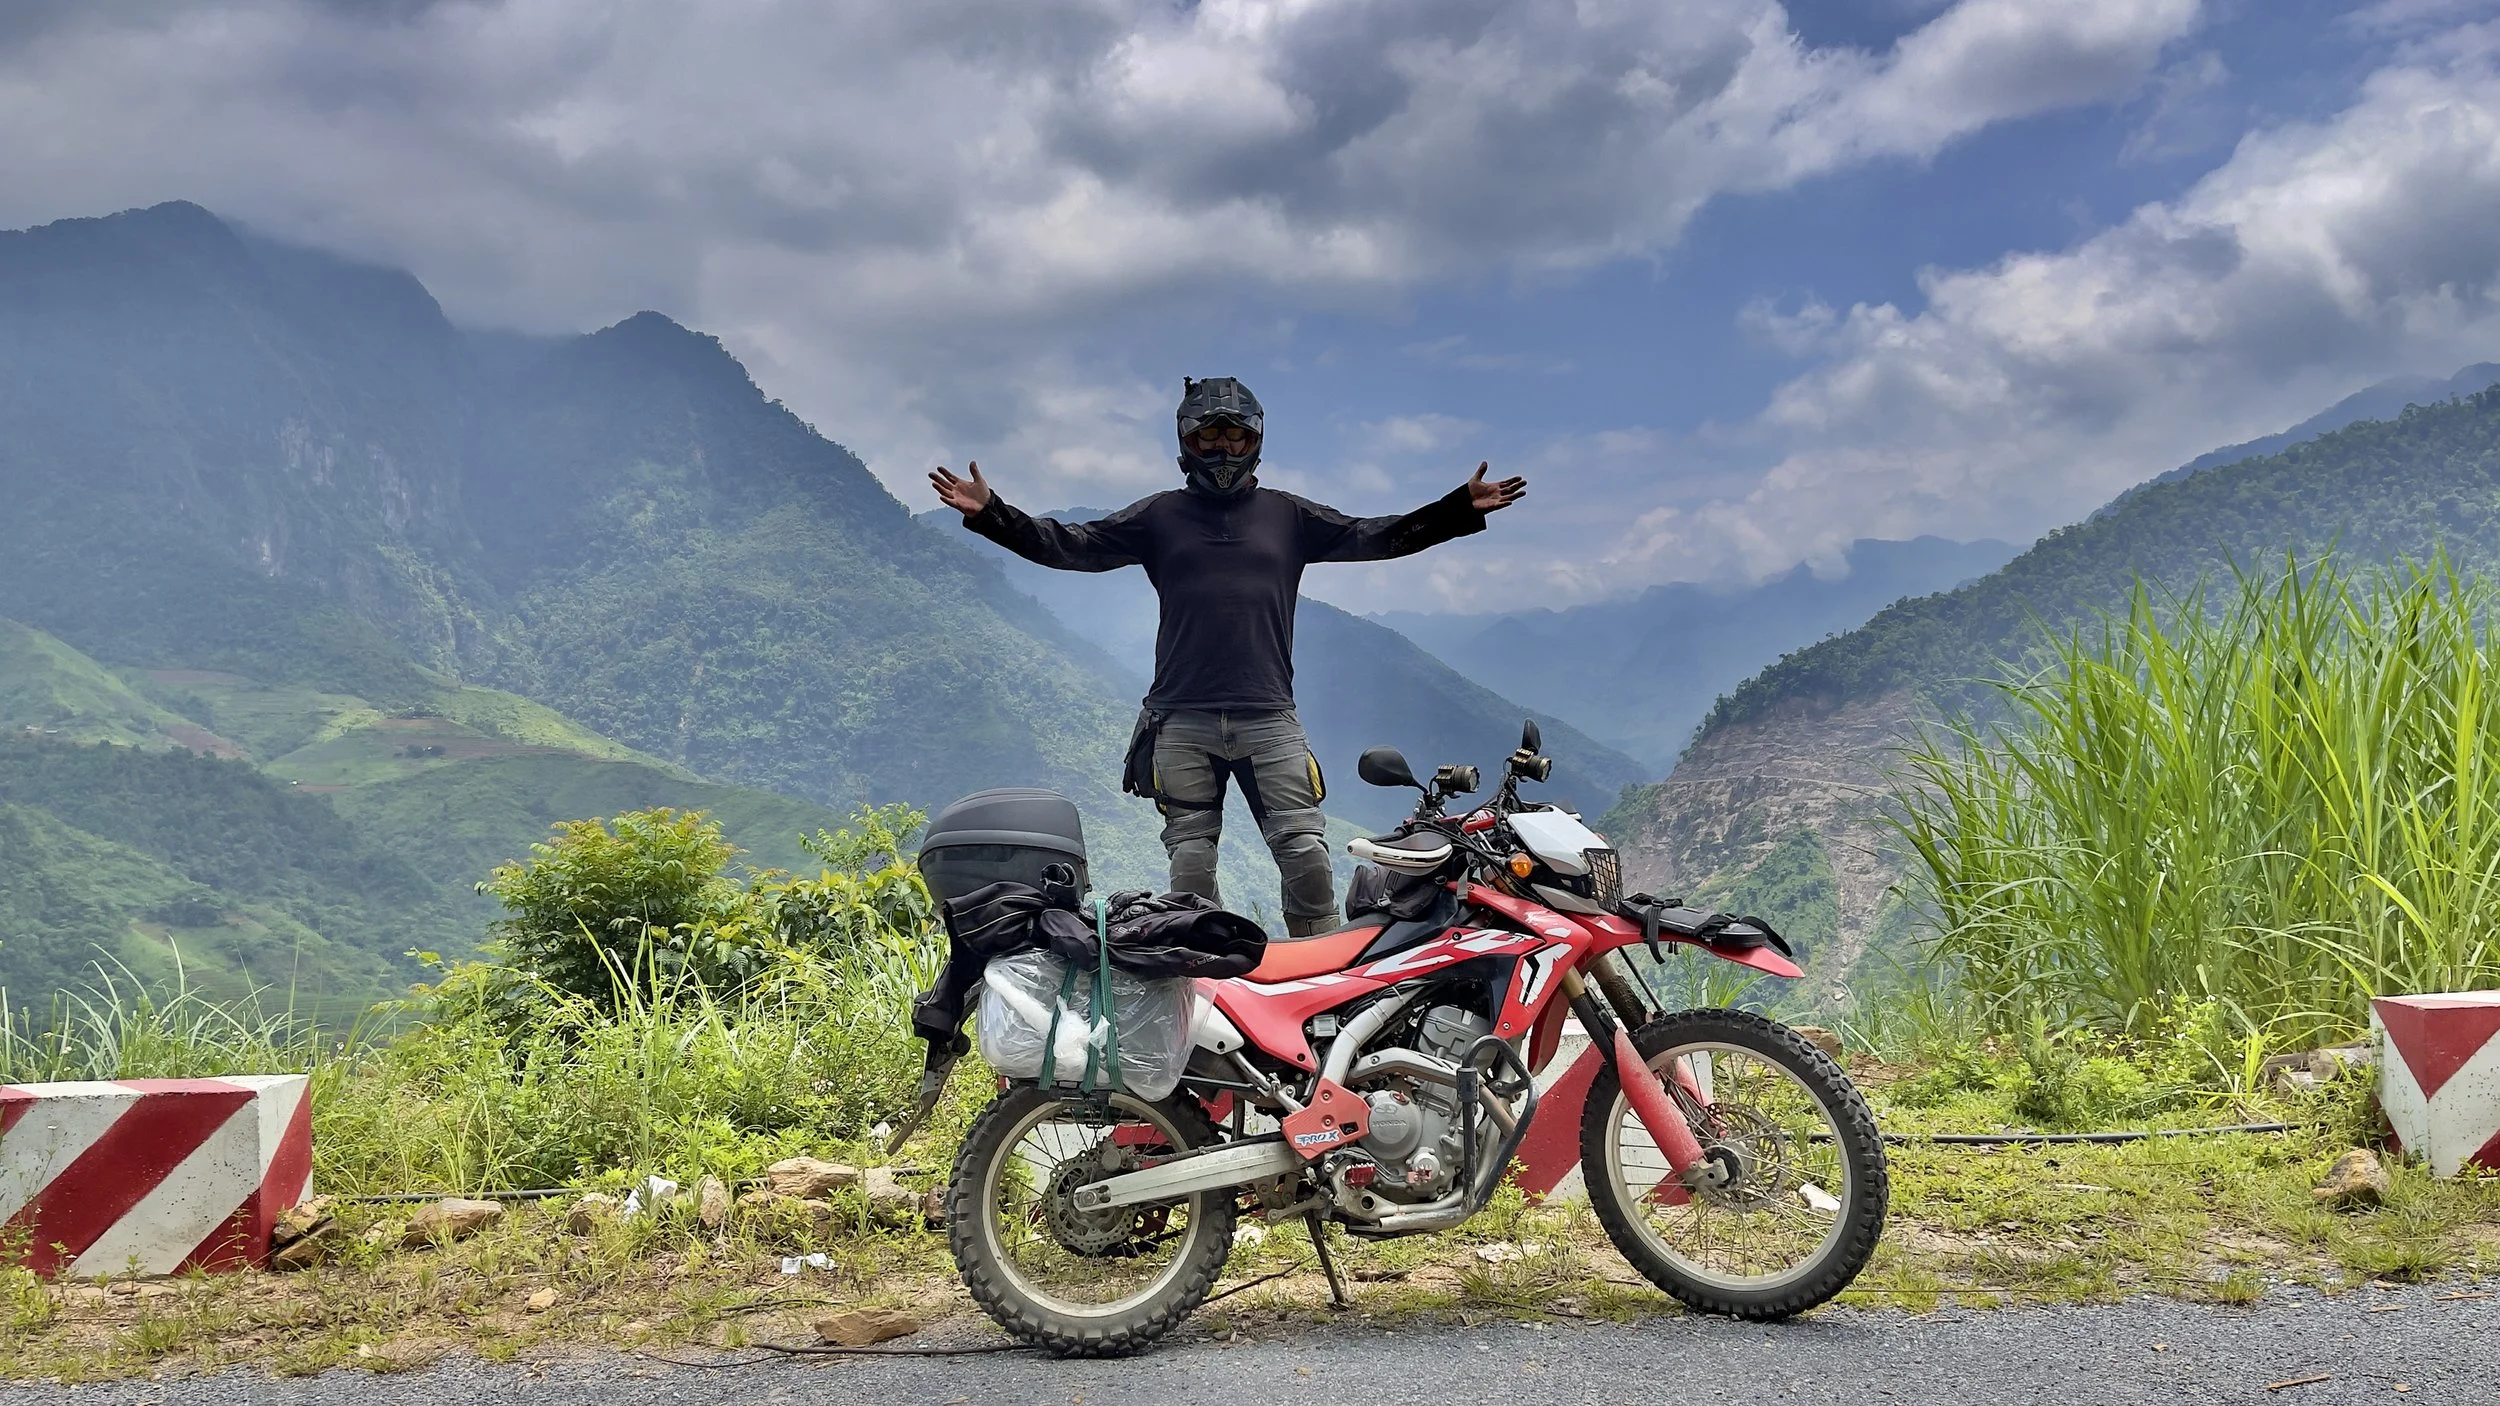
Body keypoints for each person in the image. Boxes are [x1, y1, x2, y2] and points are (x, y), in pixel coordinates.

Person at [930, 376, 1526, 937]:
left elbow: (1374, 534)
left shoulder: (1289, 515)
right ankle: (1202, 988)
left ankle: (1320, 987)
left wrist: (1456, 511)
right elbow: (1073, 546)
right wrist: (993, 516)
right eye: (1209, 435)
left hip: (1269, 715)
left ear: (1256, 440)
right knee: (1190, 866)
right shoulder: (1158, 516)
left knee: (1307, 858)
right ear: (1186, 441)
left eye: (1235, 435)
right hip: (1180, 719)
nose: (1222, 448)